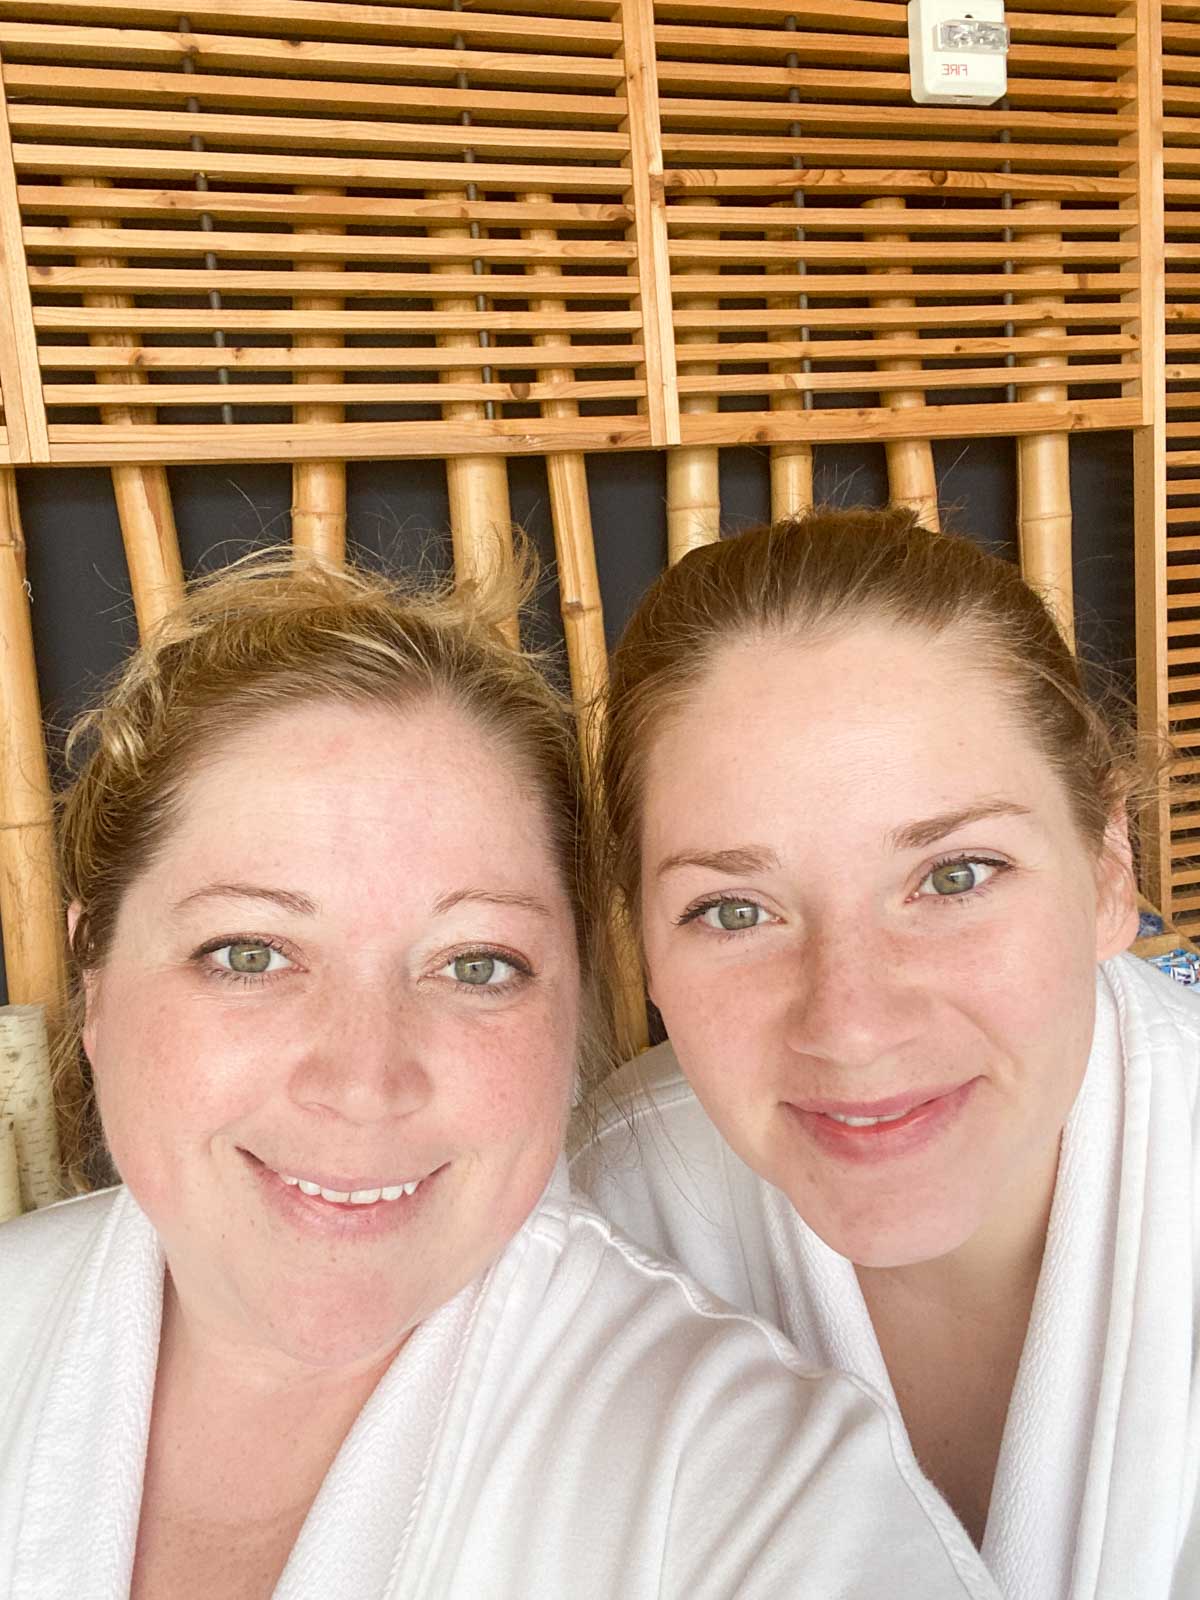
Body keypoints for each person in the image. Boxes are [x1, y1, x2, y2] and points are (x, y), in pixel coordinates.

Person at [0, 551, 1000, 1600]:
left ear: (576, 1009)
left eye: (477, 965)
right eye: (249, 952)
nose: (363, 1079)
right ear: (97, 980)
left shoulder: (762, 1493)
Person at [572, 506, 1200, 1600]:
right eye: (733, 910)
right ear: (644, 946)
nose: (852, 1025)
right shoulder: (589, 1231)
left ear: (1109, 872)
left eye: (954, 876)